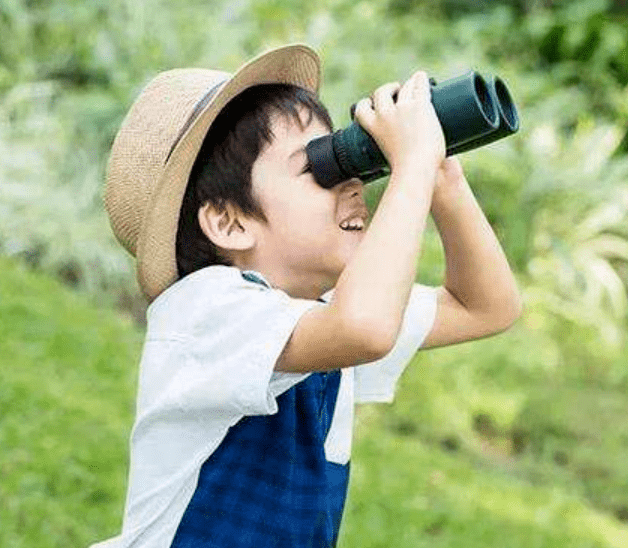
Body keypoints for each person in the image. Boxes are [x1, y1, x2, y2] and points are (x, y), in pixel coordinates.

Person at [93, 43, 522, 548]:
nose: (352, 180)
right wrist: (410, 168)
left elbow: (485, 308)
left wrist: (442, 180)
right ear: (229, 222)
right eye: (317, 166)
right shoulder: (205, 311)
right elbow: (365, 328)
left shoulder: (322, 314)